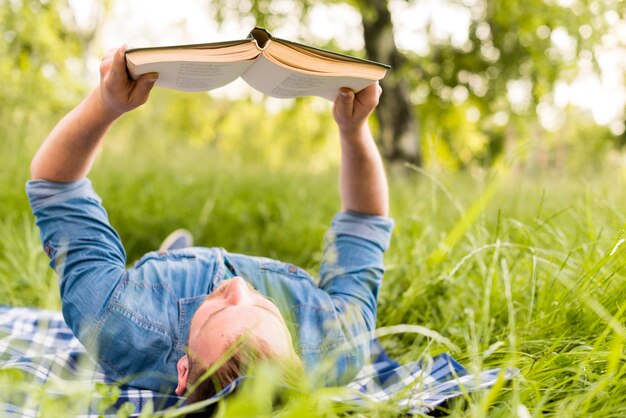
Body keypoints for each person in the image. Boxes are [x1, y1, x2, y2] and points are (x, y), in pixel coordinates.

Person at [27, 45, 394, 403]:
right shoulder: (337, 342)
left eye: (218, 309)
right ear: (298, 358)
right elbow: (365, 222)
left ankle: (171, 258)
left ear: (183, 371)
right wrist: (354, 129)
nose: (235, 285)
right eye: (265, 308)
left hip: (162, 289)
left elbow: (54, 184)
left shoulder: (113, 318)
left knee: (153, 280)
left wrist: (105, 105)